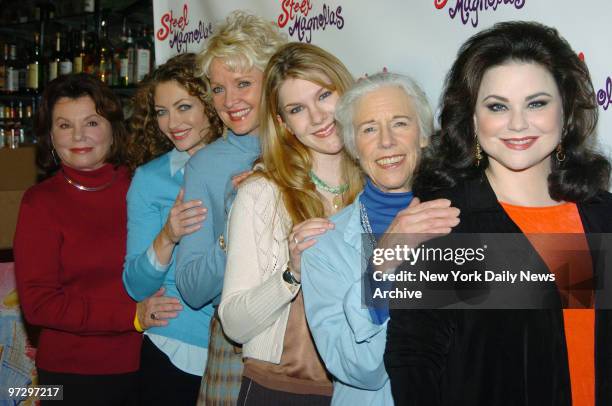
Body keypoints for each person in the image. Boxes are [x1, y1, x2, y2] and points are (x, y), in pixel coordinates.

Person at [384, 21, 612, 406]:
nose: (518, 123)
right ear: (473, 119)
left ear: (566, 110)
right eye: (497, 106)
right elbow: (413, 363)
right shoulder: (445, 226)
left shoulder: (602, 216)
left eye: (536, 103)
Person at [13, 73, 181, 405]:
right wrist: (128, 316)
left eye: (91, 122)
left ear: (112, 128)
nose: (79, 135)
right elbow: (39, 305)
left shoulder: (144, 186)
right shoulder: (40, 203)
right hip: (74, 375)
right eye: (64, 125)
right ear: (50, 135)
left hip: (158, 359)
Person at [300, 72, 460, 405]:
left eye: (400, 123)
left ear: (423, 136)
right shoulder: (323, 247)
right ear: (353, 147)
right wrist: (381, 267)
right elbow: (357, 370)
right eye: (369, 129)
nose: (386, 142)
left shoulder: (466, 218)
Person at [218, 42, 362, 405]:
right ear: (284, 124)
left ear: (348, 92)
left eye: (324, 95)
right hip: (283, 390)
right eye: (298, 109)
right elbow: (233, 324)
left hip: (368, 390)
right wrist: (291, 273)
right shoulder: (262, 194)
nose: (317, 117)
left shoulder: (383, 185)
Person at [174, 11, 287, 405]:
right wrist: (235, 227)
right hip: (235, 346)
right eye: (218, 89)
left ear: (273, 82)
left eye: (243, 84)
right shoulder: (205, 166)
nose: (230, 101)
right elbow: (191, 288)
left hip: (311, 336)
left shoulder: (312, 143)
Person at [122, 53, 224, 405]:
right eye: (162, 111)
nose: (172, 123)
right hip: (174, 347)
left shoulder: (250, 165)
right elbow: (135, 285)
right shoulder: (150, 179)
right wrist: (167, 236)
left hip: (242, 348)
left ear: (211, 103)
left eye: (183, 107)